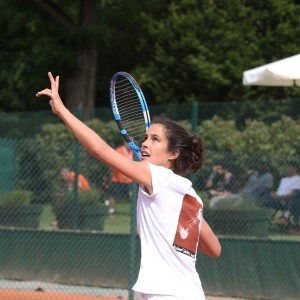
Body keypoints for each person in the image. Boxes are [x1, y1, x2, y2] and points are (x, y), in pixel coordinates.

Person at [36, 72, 221, 299]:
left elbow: (99, 150)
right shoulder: (191, 196)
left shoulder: (156, 175)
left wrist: (62, 110)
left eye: (155, 140)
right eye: (145, 138)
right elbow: (214, 249)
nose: (144, 143)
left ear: (173, 153)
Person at [263, 161, 300, 225]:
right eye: (287, 167)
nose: (287, 168)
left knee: (295, 198)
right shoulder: (284, 179)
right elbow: (279, 191)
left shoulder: (298, 179)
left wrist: (279, 196)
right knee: (265, 195)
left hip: (288, 200)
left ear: (295, 168)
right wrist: (273, 193)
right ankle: (271, 218)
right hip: (277, 199)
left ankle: (284, 218)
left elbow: (294, 193)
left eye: (289, 167)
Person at [108, 140, 134, 217]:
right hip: (117, 178)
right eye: (129, 143)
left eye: (132, 143)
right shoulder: (119, 151)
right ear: (124, 143)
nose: (130, 145)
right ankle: (111, 211)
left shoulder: (132, 152)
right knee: (113, 196)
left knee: (132, 194)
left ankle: (135, 211)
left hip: (129, 179)